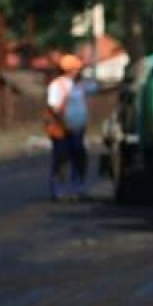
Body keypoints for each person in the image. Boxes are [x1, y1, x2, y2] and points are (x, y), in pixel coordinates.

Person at [46, 54, 90, 200]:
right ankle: (59, 189)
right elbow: (53, 107)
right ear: (70, 70)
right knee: (61, 158)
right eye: (77, 69)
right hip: (61, 129)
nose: (79, 72)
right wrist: (65, 124)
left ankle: (77, 187)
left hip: (77, 129)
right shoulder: (57, 85)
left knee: (79, 156)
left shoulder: (78, 85)